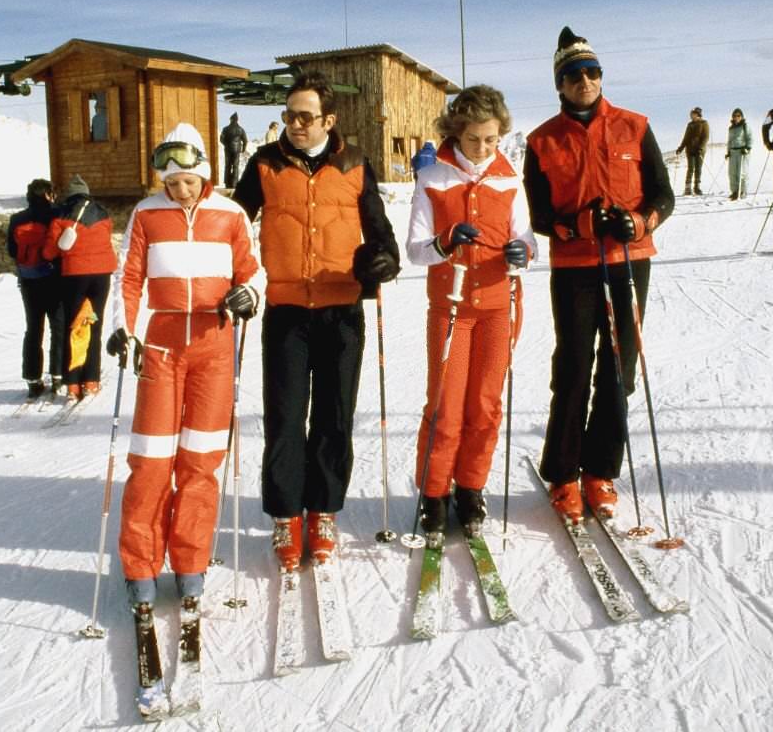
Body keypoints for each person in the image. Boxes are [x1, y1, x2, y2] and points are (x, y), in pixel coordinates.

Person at [234, 71, 401, 571]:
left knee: (334, 416)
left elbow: (381, 234)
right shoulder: (263, 163)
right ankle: (286, 516)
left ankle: (323, 511)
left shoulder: (355, 164)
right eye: (289, 115)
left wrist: (383, 262)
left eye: (305, 116)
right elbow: (233, 226)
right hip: (286, 311)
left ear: (329, 120)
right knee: (285, 419)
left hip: (341, 312)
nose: (295, 124)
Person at [109, 122, 261, 619]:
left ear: (203, 174)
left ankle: (190, 562)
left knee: (200, 460)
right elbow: (128, 276)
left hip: (215, 345)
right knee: (151, 460)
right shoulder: (147, 214)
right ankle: (141, 566)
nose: (180, 190)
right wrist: (123, 329)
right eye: (171, 183)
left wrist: (250, 293)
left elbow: (253, 269)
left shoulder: (231, 213)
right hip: (162, 342)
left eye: (188, 181)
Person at [523, 26, 674, 520]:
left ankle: (600, 471)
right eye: (573, 75)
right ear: (560, 85)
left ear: (600, 77)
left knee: (619, 368)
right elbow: (540, 215)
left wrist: (641, 220)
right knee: (572, 367)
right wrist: (577, 225)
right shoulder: (542, 140)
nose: (584, 81)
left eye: (591, 72)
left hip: (628, 261)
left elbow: (662, 194)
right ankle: (563, 474)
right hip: (575, 268)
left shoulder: (634, 125)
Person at [406, 85, 536, 540]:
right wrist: (443, 244)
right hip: (452, 308)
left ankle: (471, 489)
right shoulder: (434, 178)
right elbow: (416, 250)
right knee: (446, 403)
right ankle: (435, 493)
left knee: (485, 403)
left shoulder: (509, 178)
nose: (483, 148)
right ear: (456, 133)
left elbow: (527, 237)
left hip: (498, 306)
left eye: (491, 139)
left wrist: (523, 250)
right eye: (475, 138)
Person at [42, 174, 117, 398]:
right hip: (101, 275)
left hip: (75, 275)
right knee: (94, 324)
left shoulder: (62, 215)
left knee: (74, 326)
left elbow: (50, 251)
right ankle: (92, 380)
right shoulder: (103, 214)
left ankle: (73, 382)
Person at [6, 178, 65, 399]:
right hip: (53, 279)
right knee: (58, 327)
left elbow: (12, 251)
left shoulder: (17, 218)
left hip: (28, 281)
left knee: (33, 328)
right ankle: (58, 376)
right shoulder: (56, 215)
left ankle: (32, 379)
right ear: (49, 194)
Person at [675, 107, 708, 195]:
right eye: (691, 114)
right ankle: (687, 188)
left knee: (698, 168)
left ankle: (697, 187)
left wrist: (701, 147)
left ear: (697, 115)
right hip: (690, 149)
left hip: (699, 150)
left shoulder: (704, 123)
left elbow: (705, 137)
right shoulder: (690, 125)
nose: (691, 115)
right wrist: (680, 148)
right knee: (690, 168)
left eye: (693, 114)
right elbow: (686, 138)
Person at [725, 108, 752, 201]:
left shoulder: (745, 126)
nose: (736, 117)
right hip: (733, 151)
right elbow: (729, 140)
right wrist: (728, 151)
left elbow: (750, 138)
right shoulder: (731, 128)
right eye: (734, 116)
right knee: (732, 173)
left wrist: (747, 148)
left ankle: (743, 191)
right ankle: (735, 191)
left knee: (742, 172)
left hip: (742, 151)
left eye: (738, 116)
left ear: (741, 117)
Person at [220, 112, 248, 188]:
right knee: (235, 166)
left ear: (231, 119)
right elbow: (245, 140)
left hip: (228, 149)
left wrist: (226, 144)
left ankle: (227, 183)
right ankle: (234, 183)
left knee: (227, 166)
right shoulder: (241, 129)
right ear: (237, 120)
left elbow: (221, 139)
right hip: (237, 150)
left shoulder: (225, 129)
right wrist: (243, 149)